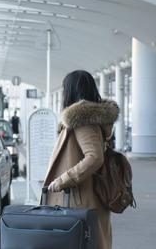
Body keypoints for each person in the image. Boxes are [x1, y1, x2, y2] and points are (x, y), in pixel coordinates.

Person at [44, 70, 119, 249]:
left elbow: (94, 157)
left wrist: (64, 180)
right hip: (84, 198)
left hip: (79, 199)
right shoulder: (85, 120)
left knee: (82, 242)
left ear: (70, 91)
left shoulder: (82, 120)